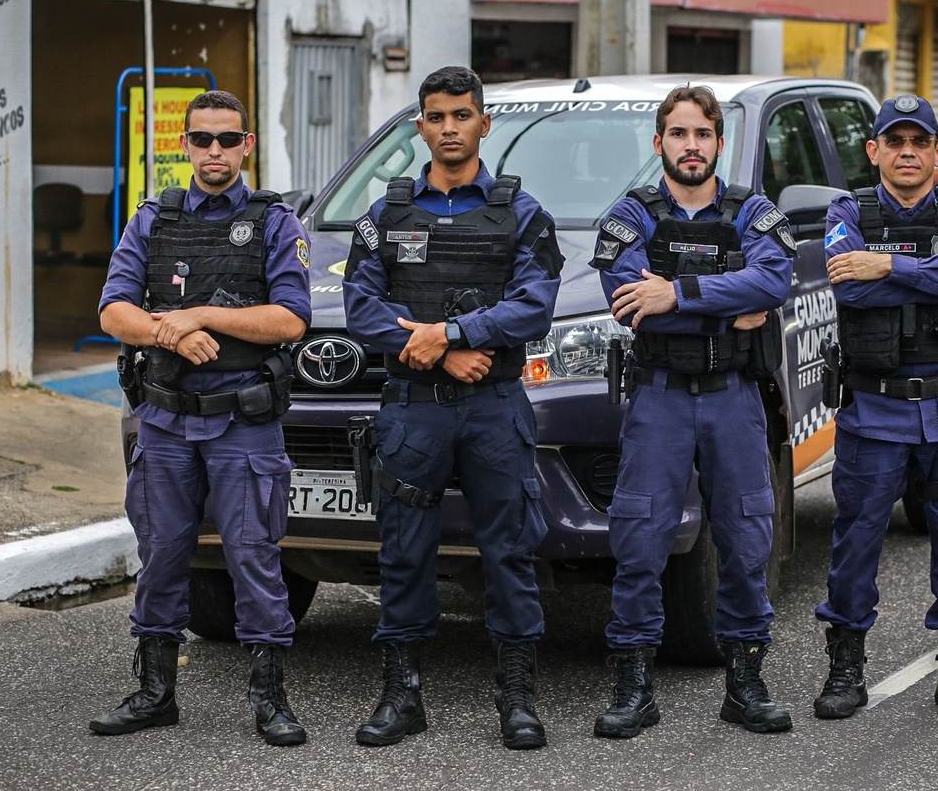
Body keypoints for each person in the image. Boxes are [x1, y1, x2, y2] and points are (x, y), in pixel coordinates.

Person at [342, 66, 564, 751]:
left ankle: (518, 699)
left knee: (509, 551)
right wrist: (441, 353)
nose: (448, 129)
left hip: (494, 405)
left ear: (483, 124)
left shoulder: (522, 214)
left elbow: (535, 304)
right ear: (420, 126)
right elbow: (360, 306)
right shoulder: (385, 215)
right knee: (404, 551)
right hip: (416, 408)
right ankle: (402, 697)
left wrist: (458, 333)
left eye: (460, 116)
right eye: (435, 117)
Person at [91, 90, 312, 746]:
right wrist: (171, 337)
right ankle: (155, 692)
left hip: (242, 421)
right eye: (201, 139)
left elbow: (290, 318)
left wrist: (204, 315)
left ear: (248, 145)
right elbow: (113, 312)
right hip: (164, 422)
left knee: (253, 558)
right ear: (184, 146)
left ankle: (270, 699)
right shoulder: (153, 219)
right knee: (160, 556)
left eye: (227, 139)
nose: (214, 150)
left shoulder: (275, 222)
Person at [589, 84, 795, 738]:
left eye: (702, 135)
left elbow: (775, 280)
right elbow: (624, 292)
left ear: (719, 143)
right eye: (678, 134)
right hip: (660, 399)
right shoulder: (633, 214)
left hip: (734, 399)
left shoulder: (751, 210)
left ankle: (746, 683)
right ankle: (633, 688)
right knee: (640, 540)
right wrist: (728, 307)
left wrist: (674, 293)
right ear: (659, 144)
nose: (691, 146)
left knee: (745, 538)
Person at [813, 94, 938, 720]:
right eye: (893, 142)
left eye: (917, 142)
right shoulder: (849, 210)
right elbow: (848, 283)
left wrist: (888, 262)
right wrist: (930, 269)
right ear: (873, 152)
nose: (906, 152)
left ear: (936, 152)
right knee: (857, 540)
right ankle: (845, 667)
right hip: (874, 411)